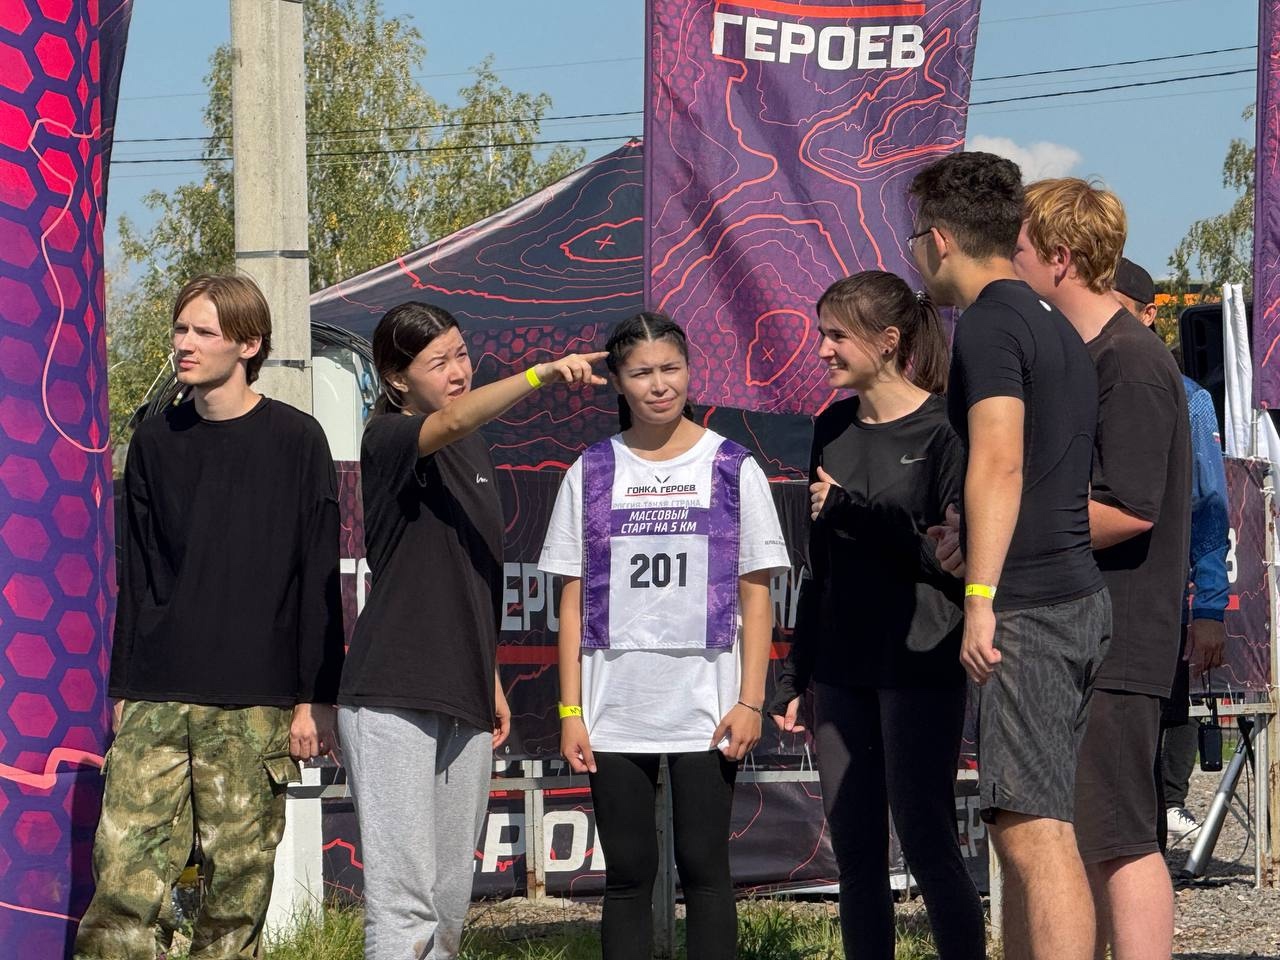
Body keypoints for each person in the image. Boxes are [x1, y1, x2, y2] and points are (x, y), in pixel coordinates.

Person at [75, 274, 346, 960]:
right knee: (123, 885)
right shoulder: (155, 439)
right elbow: (137, 574)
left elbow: (317, 573)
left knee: (234, 901)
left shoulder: (297, 439)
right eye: (180, 328)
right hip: (157, 693)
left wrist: (315, 698)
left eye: (204, 331)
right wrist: (123, 688)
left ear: (249, 345)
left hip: (255, 701)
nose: (185, 344)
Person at [336, 301, 605, 960]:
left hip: (465, 692)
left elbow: (466, 576)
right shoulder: (390, 436)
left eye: (461, 353)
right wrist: (542, 374)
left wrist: (491, 678)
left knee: (451, 902)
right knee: (405, 905)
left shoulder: (472, 450)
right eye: (439, 362)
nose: (459, 371)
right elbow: (453, 418)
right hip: (391, 692)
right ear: (396, 379)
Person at [907, 152, 1110, 960]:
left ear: (941, 238)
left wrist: (981, 594)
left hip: (1032, 606)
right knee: (1027, 823)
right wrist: (973, 541)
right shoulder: (1049, 321)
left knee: (1034, 833)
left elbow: (999, 459)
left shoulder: (991, 322)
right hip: (1066, 595)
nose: (914, 253)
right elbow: (1046, 470)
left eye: (915, 237)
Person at [540, 312, 788, 960]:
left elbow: (756, 594)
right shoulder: (592, 470)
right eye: (642, 372)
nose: (659, 385)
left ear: (690, 370)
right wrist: (570, 711)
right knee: (628, 874)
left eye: (670, 368)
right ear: (618, 382)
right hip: (614, 707)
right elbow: (571, 600)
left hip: (708, 705)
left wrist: (751, 700)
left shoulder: (732, 467)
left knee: (705, 870)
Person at [768, 272, 984, 960]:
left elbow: (947, 561)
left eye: (837, 335)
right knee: (855, 855)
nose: (822, 350)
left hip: (920, 661)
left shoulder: (947, 428)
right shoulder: (830, 427)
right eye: (821, 334)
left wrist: (854, 512)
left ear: (888, 341)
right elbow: (820, 565)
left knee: (926, 841)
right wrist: (797, 672)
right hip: (841, 666)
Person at [1014, 181, 1191, 960]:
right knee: (1083, 832)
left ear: (1060, 258)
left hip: (1119, 636)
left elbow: (1129, 508)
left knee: (1120, 835)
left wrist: (1005, 527)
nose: (1008, 262)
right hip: (1076, 631)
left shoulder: (1131, 359)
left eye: (1018, 248)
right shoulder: (1084, 358)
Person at [1113, 257, 1229, 845]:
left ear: (1148, 314)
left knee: (1151, 754)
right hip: (1083, 604)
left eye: (1117, 309)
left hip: (1158, 606)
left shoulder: (1189, 399)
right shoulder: (1072, 380)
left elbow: (1210, 509)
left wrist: (1208, 608)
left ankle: (1150, 861)